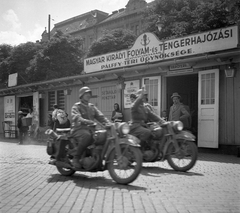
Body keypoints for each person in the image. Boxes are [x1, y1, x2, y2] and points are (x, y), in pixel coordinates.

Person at [71, 86, 111, 168]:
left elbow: (101, 117)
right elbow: (76, 117)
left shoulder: (92, 107)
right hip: (79, 129)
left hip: (91, 129)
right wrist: (86, 121)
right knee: (87, 136)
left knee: (104, 135)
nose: (88, 95)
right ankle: (76, 158)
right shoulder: (76, 106)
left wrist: (109, 124)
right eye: (86, 93)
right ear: (81, 95)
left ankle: (99, 157)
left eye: (89, 93)